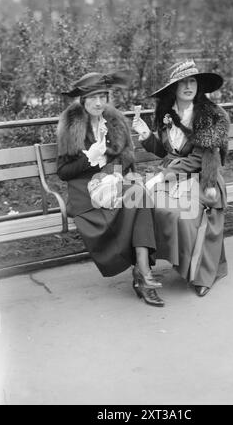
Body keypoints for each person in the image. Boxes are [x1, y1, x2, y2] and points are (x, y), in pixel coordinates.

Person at [56, 70, 164, 307]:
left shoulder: (115, 122)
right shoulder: (72, 124)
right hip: (85, 194)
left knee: (139, 197)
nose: (98, 102)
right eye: (93, 97)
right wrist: (89, 158)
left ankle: (143, 273)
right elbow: (63, 173)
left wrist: (112, 169)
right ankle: (143, 275)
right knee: (139, 201)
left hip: (112, 184)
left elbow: (126, 162)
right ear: (83, 100)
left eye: (103, 96)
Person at [132, 60, 230, 297]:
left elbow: (197, 160)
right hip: (173, 177)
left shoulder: (211, 116)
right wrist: (146, 135)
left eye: (192, 81)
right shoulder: (167, 115)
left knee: (184, 215)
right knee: (143, 204)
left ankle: (202, 272)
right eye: (182, 82)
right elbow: (169, 152)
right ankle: (143, 268)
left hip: (203, 178)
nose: (188, 86)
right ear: (173, 88)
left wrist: (162, 176)